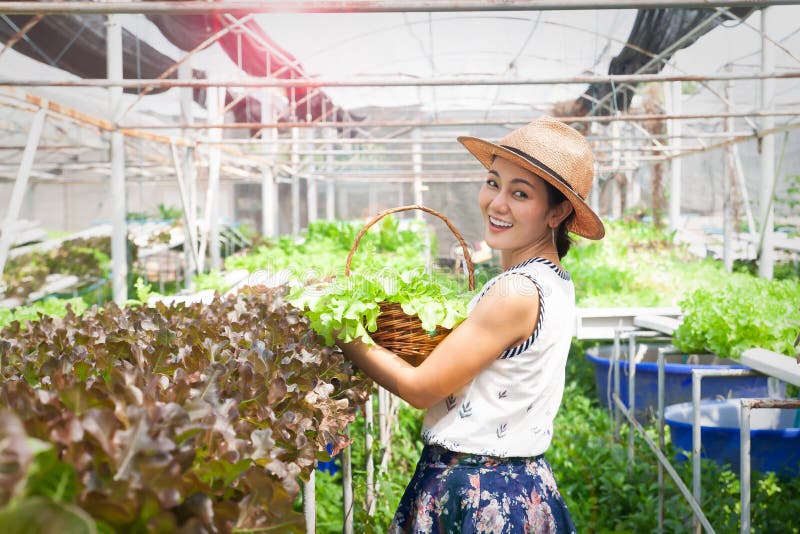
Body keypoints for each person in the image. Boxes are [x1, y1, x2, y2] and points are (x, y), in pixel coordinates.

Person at [337, 116, 605, 533]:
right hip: (516, 486)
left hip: (479, 494)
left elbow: (420, 388)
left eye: (521, 193)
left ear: (558, 211)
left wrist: (342, 331)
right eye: (493, 182)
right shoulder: (551, 279)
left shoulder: (515, 291)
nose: (497, 203)